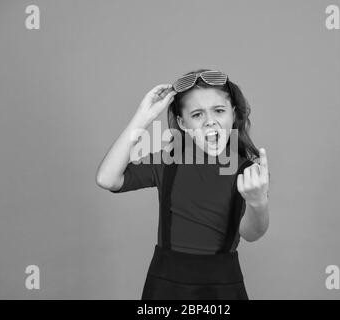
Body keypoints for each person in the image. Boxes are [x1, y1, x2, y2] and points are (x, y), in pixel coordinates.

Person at [96, 69, 270, 300]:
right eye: (197, 114)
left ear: (233, 114)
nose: (210, 122)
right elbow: (107, 179)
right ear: (182, 123)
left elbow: (251, 233)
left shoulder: (248, 171)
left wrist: (258, 202)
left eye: (219, 111)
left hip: (222, 286)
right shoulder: (167, 162)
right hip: (166, 284)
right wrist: (143, 118)